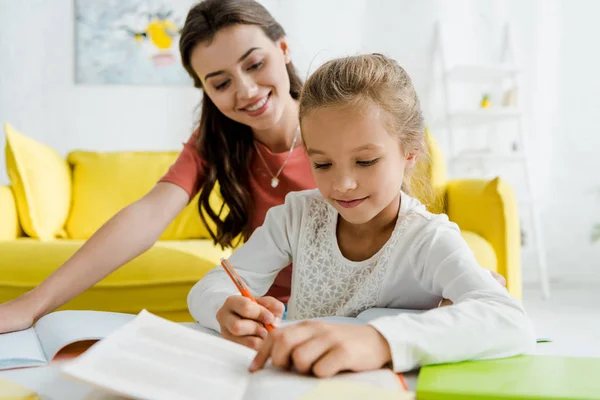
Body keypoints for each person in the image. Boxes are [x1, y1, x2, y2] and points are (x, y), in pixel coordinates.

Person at [0, 0, 504, 334]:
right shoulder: (214, 146)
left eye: (254, 63)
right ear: (205, 91)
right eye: (219, 82)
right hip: (278, 319)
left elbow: (418, 232)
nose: (243, 89)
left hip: (366, 318)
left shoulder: (351, 122)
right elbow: (144, 218)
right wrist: (34, 304)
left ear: (283, 51)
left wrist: (462, 289)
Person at [187, 54, 535, 377]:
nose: (343, 184)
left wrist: (379, 340)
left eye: (365, 161)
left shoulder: (427, 239)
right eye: (322, 164)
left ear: (411, 151)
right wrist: (224, 307)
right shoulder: (297, 216)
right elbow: (211, 287)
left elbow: (509, 319)